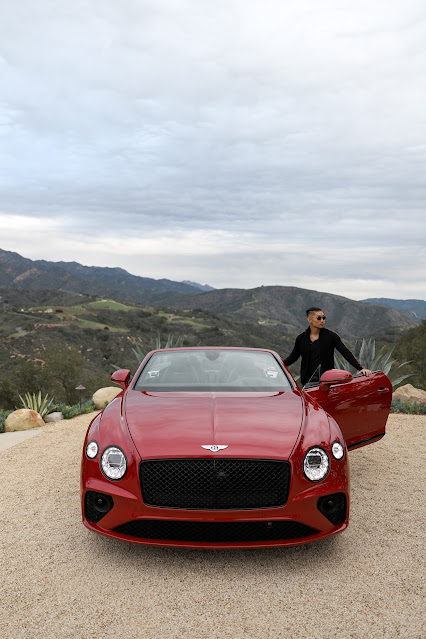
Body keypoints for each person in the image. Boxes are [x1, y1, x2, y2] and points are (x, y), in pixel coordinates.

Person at [283, 307, 372, 386]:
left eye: (323, 318)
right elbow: (293, 357)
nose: (322, 320)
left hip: (327, 382)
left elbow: (345, 352)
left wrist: (361, 368)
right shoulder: (301, 339)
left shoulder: (331, 336)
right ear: (310, 320)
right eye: (319, 318)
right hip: (308, 384)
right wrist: (278, 365)